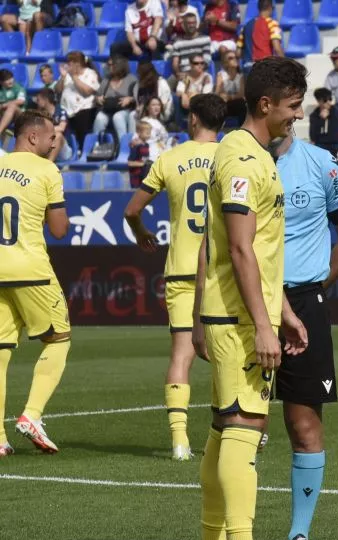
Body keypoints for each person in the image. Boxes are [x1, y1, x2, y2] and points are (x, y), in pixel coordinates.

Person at [190, 56, 309, 540]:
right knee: (245, 426)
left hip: (239, 312)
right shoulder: (241, 159)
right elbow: (238, 250)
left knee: (224, 429)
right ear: (266, 104)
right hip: (239, 320)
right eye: (293, 106)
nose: (298, 115)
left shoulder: (252, 154)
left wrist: (283, 312)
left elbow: (248, 248)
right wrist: (263, 326)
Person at [274, 124, 338, 540]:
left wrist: (314, 289)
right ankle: (233, 538)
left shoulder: (323, 165)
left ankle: (298, 537)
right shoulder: (231, 159)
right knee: (240, 425)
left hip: (304, 302)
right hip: (244, 302)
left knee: (303, 423)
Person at [124, 93, 225, 458]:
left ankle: (179, 440)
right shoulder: (234, 156)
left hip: (180, 269)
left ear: (194, 119)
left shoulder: (170, 158)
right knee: (225, 352)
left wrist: (141, 233)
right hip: (222, 270)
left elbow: (132, 209)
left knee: (182, 352)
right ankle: (232, 431)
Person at [0, 110, 70, 458]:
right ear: (32, 137)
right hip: (30, 267)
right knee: (59, 338)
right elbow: (59, 228)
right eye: (50, 137)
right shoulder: (47, 170)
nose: (53, 142)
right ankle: (32, 415)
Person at [55, 51, 100, 147]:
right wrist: (63, 78)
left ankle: (83, 148)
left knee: (81, 119)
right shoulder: (67, 74)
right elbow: (58, 90)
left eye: (69, 62)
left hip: (84, 110)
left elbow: (87, 92)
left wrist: (74, 77)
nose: (67, 65)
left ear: (77, 63)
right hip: (66, 110)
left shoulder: (90, 73)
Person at [93, 56, 138, 140]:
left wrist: (130, 99)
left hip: (125, 109)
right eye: (108, 65)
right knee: (99, 118)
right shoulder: (106, 80)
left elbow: (138, 97)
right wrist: (98, 98)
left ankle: (123, 145)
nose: (109, 67)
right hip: (108, 109)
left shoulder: (131, 79)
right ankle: (96, 143)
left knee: (118, 117)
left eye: (112, 65)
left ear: (119, 65)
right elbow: (97, 96)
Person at [237, 0, 284, 67]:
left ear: (258, 8)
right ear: (270, 8)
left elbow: (238, 52)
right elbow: (277, 48)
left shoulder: (246, 26)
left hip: (248, 67)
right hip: (264, 66)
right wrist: (286, 63)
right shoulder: (272, 24)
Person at [132, 62, 173, 132]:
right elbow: (137, 103)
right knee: (132, 115)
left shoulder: (162, 84)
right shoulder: (137, 86)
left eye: (141, 74)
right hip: (143, 112)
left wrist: (146, 107)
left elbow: (164, 105)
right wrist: (139, 108)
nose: (139, 76)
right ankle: (134, 137)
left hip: (160, 112)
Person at [33, 88, 71, 163]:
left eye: (38, 100)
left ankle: (49, 164)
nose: (37, 103)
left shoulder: (61, 111)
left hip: (63, 151)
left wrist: (44, 130)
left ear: (46, 100)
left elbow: (61, 128)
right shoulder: (39, 114)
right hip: (46, 147)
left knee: (58, 135)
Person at [176, 55, 214, 125]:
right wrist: (183, 94)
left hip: (201, 105)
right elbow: (179, 91)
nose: (199, 65)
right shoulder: (186, 76)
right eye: (196, 63)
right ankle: (179, 124)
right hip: (186, 105)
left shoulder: (207, 77)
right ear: (190, 64)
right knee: (177, 99)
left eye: (202, 63)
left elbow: (205, 95)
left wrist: (191, 95)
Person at [309, 87, 338, 157]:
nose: (328, 102)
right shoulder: (314, 115)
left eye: (330, 99)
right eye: (325, 100)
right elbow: (313, 136)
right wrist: (321, 120)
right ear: (319, 101)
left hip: (334, 146)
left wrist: (329, 116)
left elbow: (335, 136)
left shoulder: (336, 112)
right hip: (320, 145)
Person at [215, 49, 245, 120]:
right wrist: (226, 96)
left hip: (237, 103)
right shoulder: (221, 75)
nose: (235, 59)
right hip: (225, 104)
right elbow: (218, 92)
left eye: (236, 57)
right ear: (225, 63)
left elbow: (241, 94)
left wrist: (229, 97)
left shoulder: (241, 76)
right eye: (231, 58)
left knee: (242, 104)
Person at [0, 69, 27, 135]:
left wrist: (3, 105)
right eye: (6, 79)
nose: (10, 81)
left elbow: (21, 101)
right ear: (1, 82)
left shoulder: (18, 88)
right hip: (5, 116)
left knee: (12, 106)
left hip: (20, 116)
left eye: (11, 78)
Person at [127, 120, 153, 187]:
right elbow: (130, 163)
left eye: (150, 132)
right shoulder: (135, 146)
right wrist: (143, 164)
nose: (149, 134)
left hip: (144, 176)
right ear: (138, 132)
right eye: (147, 132)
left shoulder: (146, 145)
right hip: (136, 176)